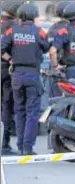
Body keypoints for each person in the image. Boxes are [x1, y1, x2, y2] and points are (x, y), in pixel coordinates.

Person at [1, 2, 50, 155]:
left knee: (19, 110)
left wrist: (10, 59)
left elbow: (1, 48)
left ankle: (20, 146)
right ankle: (27, 148)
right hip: (33, 75)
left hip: (16, 75)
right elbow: (47, 47)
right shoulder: (39, 31)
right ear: (34, 15)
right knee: (32, 112)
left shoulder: (12, 30)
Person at [0, 1, 24, 155]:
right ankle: (5, 145)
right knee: (7, 108)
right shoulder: (15, 26)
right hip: (7, 71)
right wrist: (11, 59)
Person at [45, 1, 69, 97]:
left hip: (57, 68)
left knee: (56, 100)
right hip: (72, 68)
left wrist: (55, 66)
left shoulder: (53, 28)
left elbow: (48, 49)